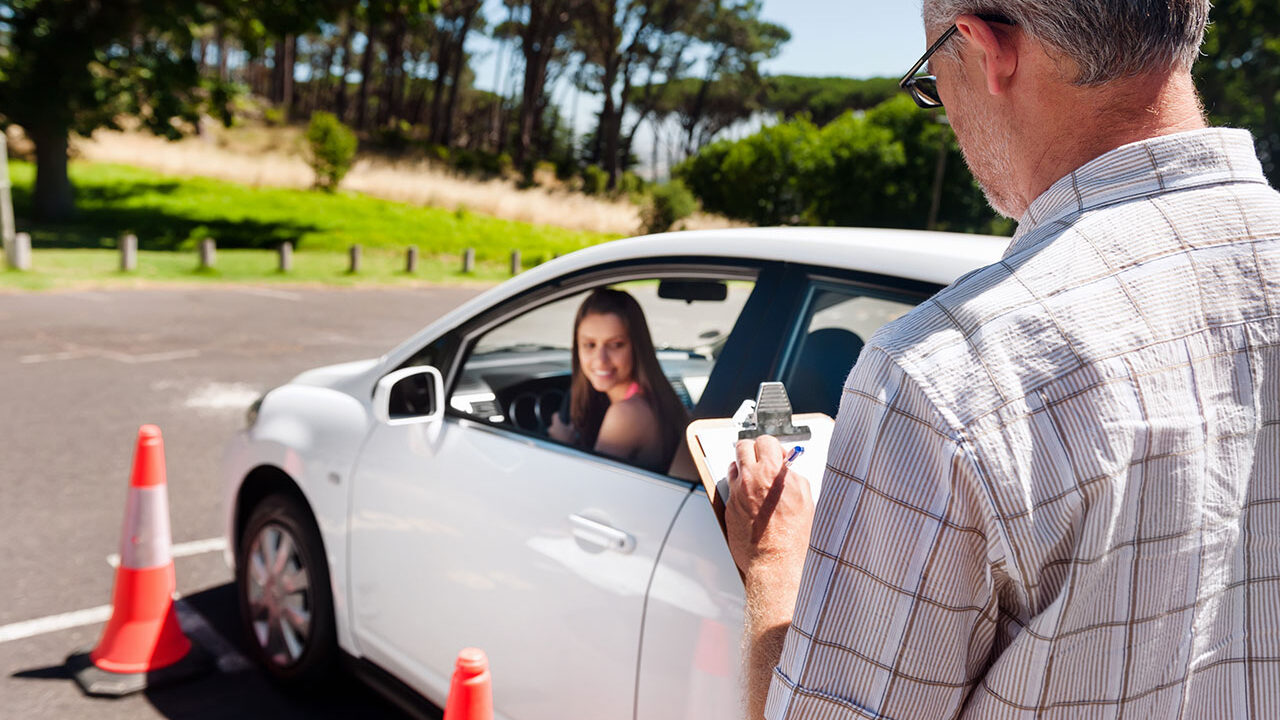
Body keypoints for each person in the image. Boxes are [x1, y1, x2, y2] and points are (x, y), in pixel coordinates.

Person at [726, 2, 1280, 718]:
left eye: (930, 79)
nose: (944, 111)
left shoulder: (944, 372)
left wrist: (774, 562)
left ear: (987, 48)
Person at [549, 287, 690, 474]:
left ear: (637, 347)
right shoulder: (653, 397)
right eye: (589, 345)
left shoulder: (626, 414)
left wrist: (561, 444)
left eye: (616, 345)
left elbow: (589, 487)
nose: (600, 359)